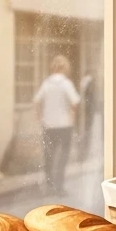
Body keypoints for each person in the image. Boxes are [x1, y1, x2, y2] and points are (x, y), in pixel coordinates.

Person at [34, 55, 81, 195]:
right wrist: (72, 116)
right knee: (62, 157)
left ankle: (49, 185)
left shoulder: (46, 83)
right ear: (65, 68)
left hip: (48, 125)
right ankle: (59, 187)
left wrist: (40, 116)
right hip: (64, 125)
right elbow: (75, 102)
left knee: (49, 156)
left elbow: (37, 100)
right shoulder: (66, 84)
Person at [79, 69, 101, 160]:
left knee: (88, 131)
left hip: (89, 110)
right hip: (89, 110)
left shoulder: (86, 81)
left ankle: (85, 153)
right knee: (87, 131)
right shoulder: (89, 81)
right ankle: (84, 153)